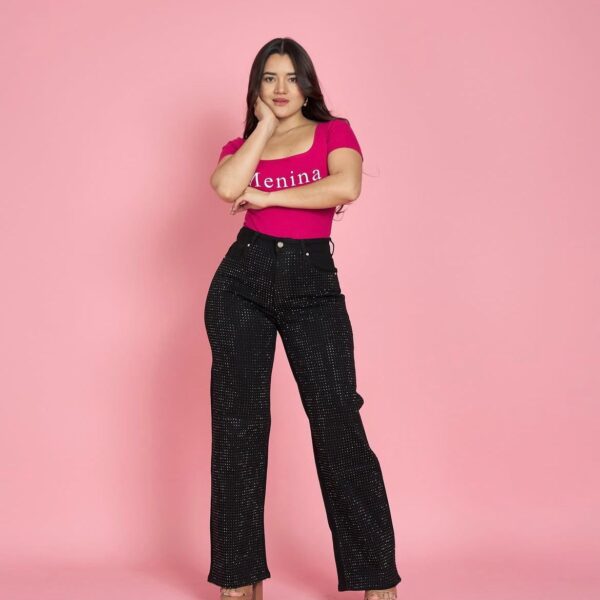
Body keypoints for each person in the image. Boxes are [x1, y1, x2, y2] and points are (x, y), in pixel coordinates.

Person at [205, 37, 401, 600]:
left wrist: (268, 199)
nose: (282, 88)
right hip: (241, 282)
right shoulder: (240, 145)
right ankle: (239, 576)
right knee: (239, 426)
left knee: (337, 421)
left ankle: (374, 574)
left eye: (292, 78)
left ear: (308, 84)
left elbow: (347, 185)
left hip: (312, 284)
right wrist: (263, 128)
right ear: (256, 88)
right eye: (270, 78)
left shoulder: (334, 131)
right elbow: (225, 186)